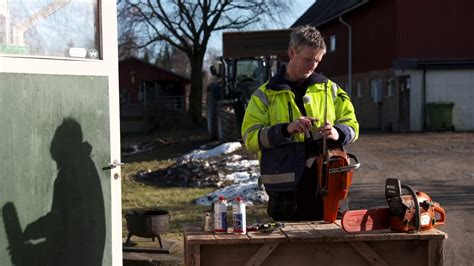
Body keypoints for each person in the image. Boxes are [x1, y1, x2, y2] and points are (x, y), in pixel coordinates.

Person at [241, 25, 359, 221]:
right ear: (291, 52)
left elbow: (353, 125)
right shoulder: (264, 95)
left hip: (329, 187)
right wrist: (285, 130)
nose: (312, 66)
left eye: (317, 60)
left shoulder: (330, 89)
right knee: (287, 251)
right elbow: (250, 139)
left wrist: (338, 133)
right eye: (307, 59)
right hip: (285, 194)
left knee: (335, 250)